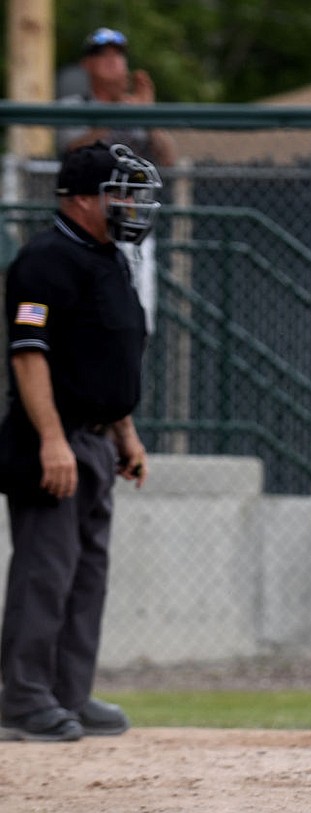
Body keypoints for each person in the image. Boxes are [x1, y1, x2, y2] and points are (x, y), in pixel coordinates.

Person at [0, 141, 160, 742]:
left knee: (85, 574)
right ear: (82, 199)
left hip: (96, 440)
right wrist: (51, 441)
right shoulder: (44, 261)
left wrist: (126, 433)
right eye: (118, 192)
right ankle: (23, 699)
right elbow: (29, 355)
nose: (129, 205)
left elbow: (111, 356)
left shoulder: (107, 259)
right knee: (45, 573)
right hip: (54, 443)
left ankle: (67, 694)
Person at [57, 27, 176, 334]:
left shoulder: (139, 107)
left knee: (136, 320)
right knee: (84, 320)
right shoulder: (76, 104)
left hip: (130, 227)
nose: (112, 62)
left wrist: (149, 116)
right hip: (82, 226)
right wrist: (116, 113)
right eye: (102, 55)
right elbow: (71, 147)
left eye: (118, 55)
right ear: (87, 64)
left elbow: (168, 158)